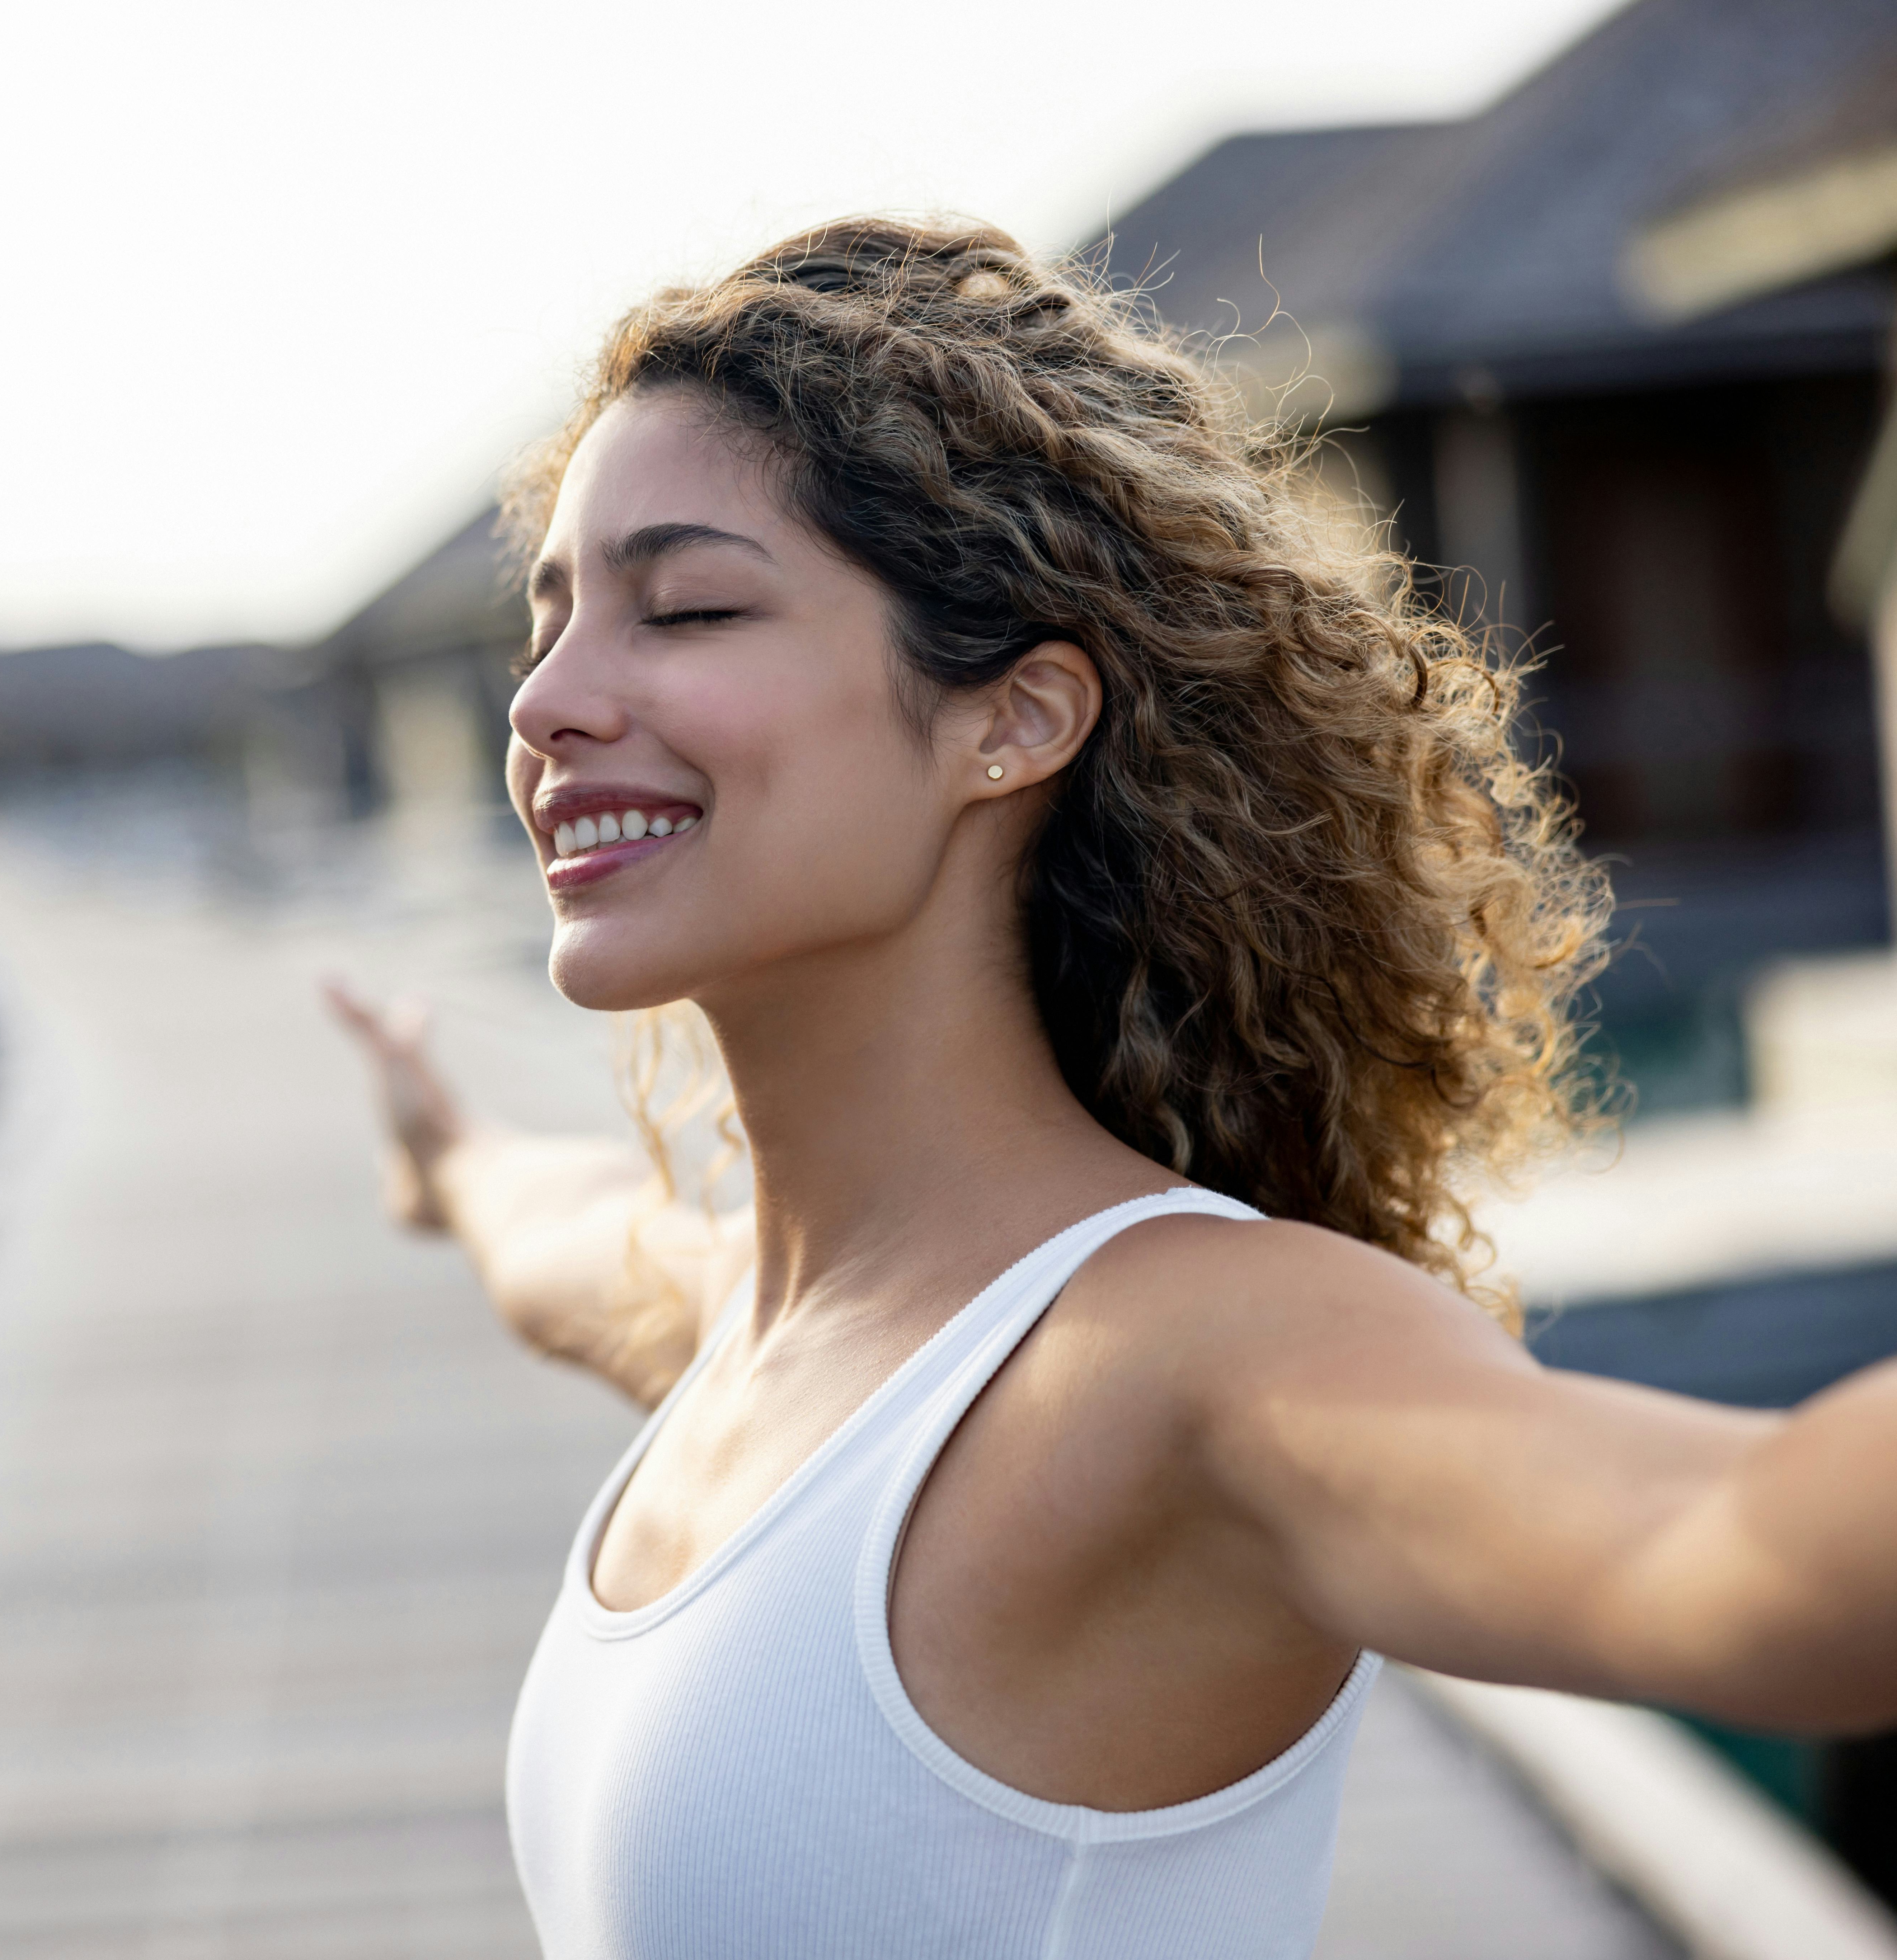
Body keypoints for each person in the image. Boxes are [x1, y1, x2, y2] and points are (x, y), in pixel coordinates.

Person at [324, 217, 1897, 1960]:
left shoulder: (1184, 1358)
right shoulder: (746, 1323)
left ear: (1012, 720)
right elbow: (556, 1239)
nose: (547, 702)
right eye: (546, 625)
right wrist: (445, 1158)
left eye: (682, 607)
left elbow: (1738, 1549)